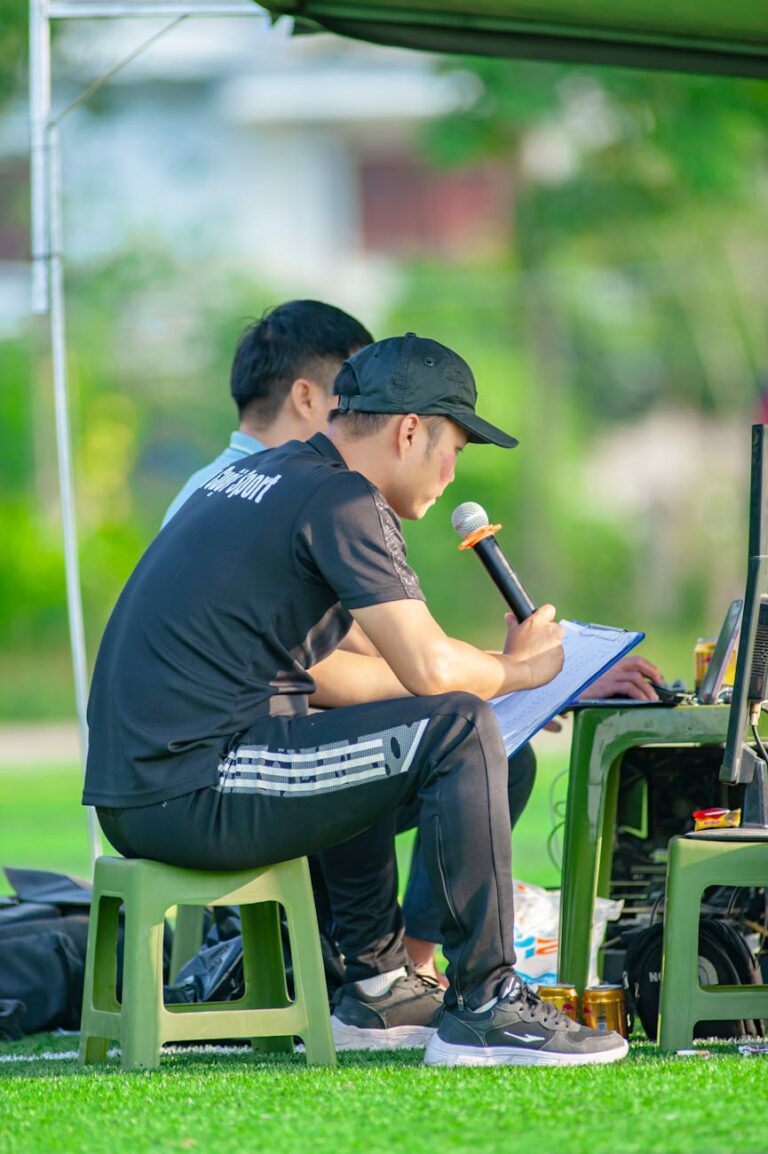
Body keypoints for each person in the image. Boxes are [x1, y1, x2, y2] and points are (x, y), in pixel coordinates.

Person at [85, 332, 629, 1066]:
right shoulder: (344, 497)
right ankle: (488, 1004)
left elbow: (377, 676)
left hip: (154, 783)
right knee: (459, 727)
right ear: (411, 431)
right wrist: (522, 671)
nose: (451, 471)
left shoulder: (280, 475)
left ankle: (379, 987)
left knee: (398, 729)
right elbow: (432, 672)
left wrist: (492, 669)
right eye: (457, 447)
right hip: (193, 786)